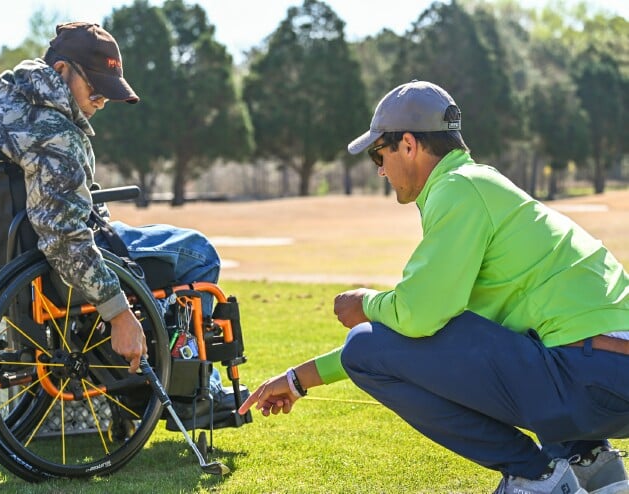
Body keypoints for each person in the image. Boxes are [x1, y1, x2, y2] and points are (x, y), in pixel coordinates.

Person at [238, 80, 629, 494]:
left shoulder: (457, 189)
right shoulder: (479, 184)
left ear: (408, 145)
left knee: (364, 345)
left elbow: (411, 321)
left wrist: (365, 304)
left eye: (379, 153)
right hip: (606, 379)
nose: (380, 169)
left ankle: (538, 478)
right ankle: (591, 464)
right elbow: (421, 337)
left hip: (587, 377)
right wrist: (300, 379)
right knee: (403, 342)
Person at [0, 22, 220, 374]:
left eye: (107, 94)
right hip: (55, 267)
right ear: (61, 70)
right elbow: (64, 239)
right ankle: (188, 377)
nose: (101, 102)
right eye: (95, 88)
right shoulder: (59, 135)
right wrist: (119, 313)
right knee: (198, 253)